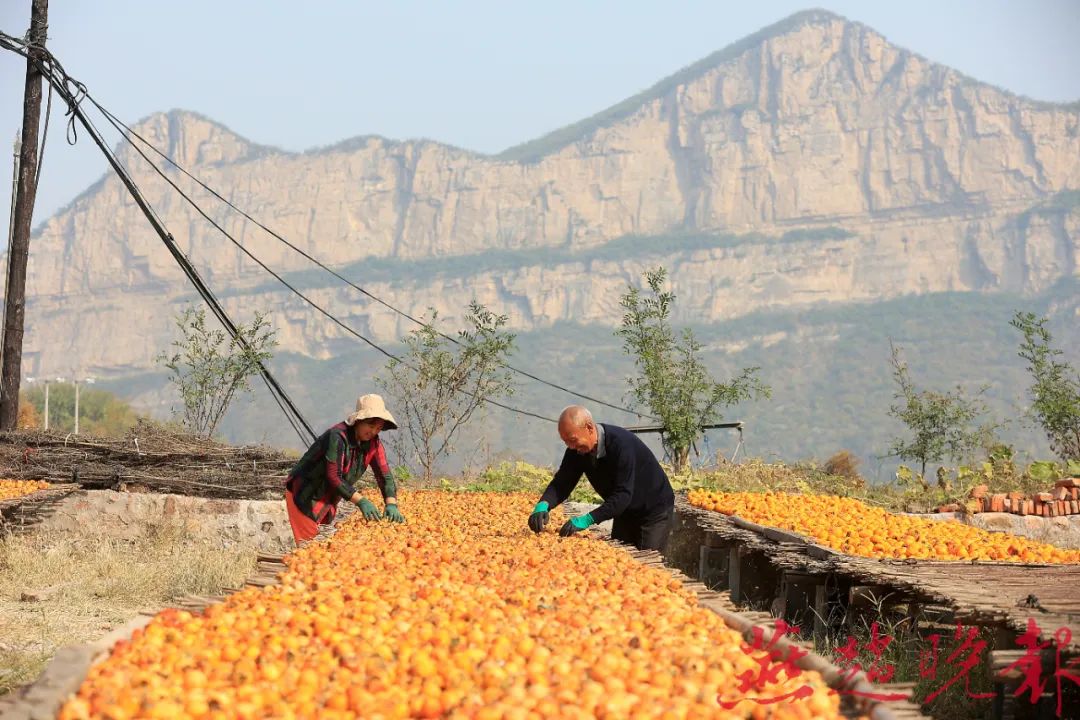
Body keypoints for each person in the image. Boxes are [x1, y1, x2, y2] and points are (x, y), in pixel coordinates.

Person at [527, 405, 675, 551]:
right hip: (623, 509)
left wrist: (587, 519)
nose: (570, 447)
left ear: (589, 428)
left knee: (644, 567)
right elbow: (562, 483)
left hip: (653, 509)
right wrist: (544, 504)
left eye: (572, 440)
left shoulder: (621, 445)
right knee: (620, 556)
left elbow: (623, 495)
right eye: (565, 442)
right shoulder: (576, 451)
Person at [284, 393, 405, 545]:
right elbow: (334, 476)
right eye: (371, 425)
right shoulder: (338, 436)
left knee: (324, 544)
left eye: (379, 428)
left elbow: (384, 475)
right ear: (358, 421)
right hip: (305, 494)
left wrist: (391, 503)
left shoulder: (373, 443)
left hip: (328, 497)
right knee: (312, 548)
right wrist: (362, 501)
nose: (374, 432)